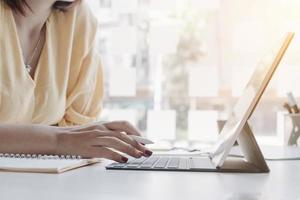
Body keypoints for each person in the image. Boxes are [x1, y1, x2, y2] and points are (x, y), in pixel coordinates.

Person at [0, 0, 152, 163]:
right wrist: (58, 140)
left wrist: (90, 135)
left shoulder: (77, 19)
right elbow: (66, 138)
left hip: (37, 181)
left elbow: (76, 133)